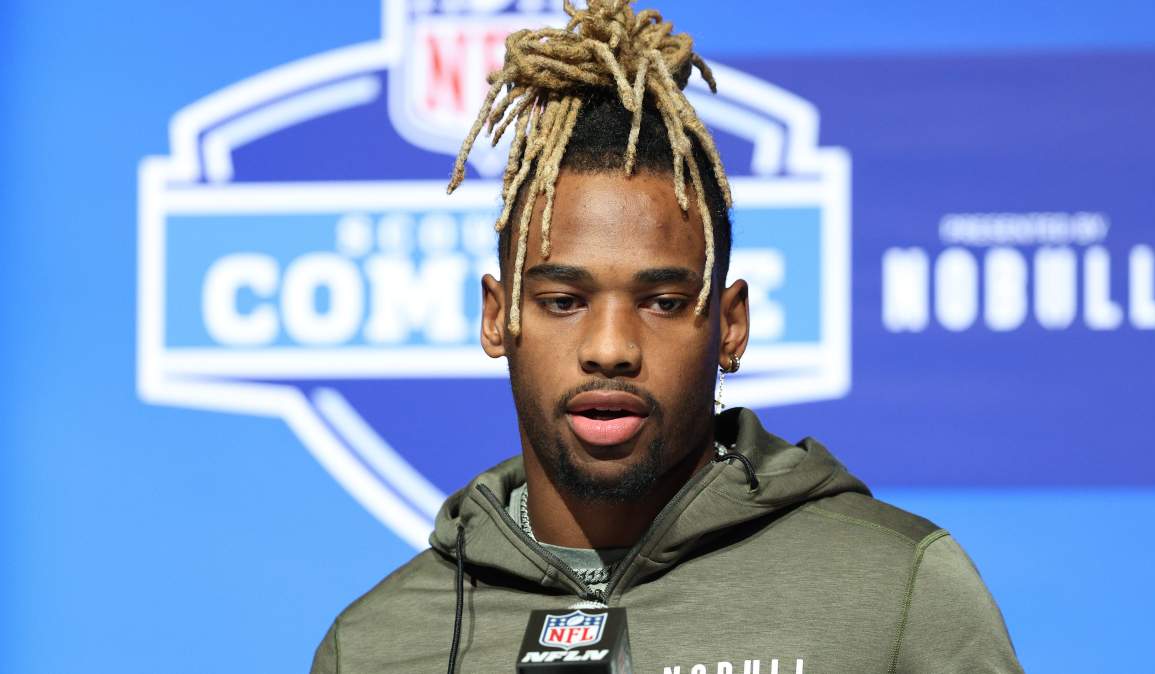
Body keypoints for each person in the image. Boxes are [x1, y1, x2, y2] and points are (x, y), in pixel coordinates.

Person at [311, 1, 1022, 672]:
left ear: (730, 326)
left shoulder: (895, 591)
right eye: (563, 301)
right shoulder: (377, 645)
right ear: (497, 318)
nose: (610, 348)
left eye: (662, 302)